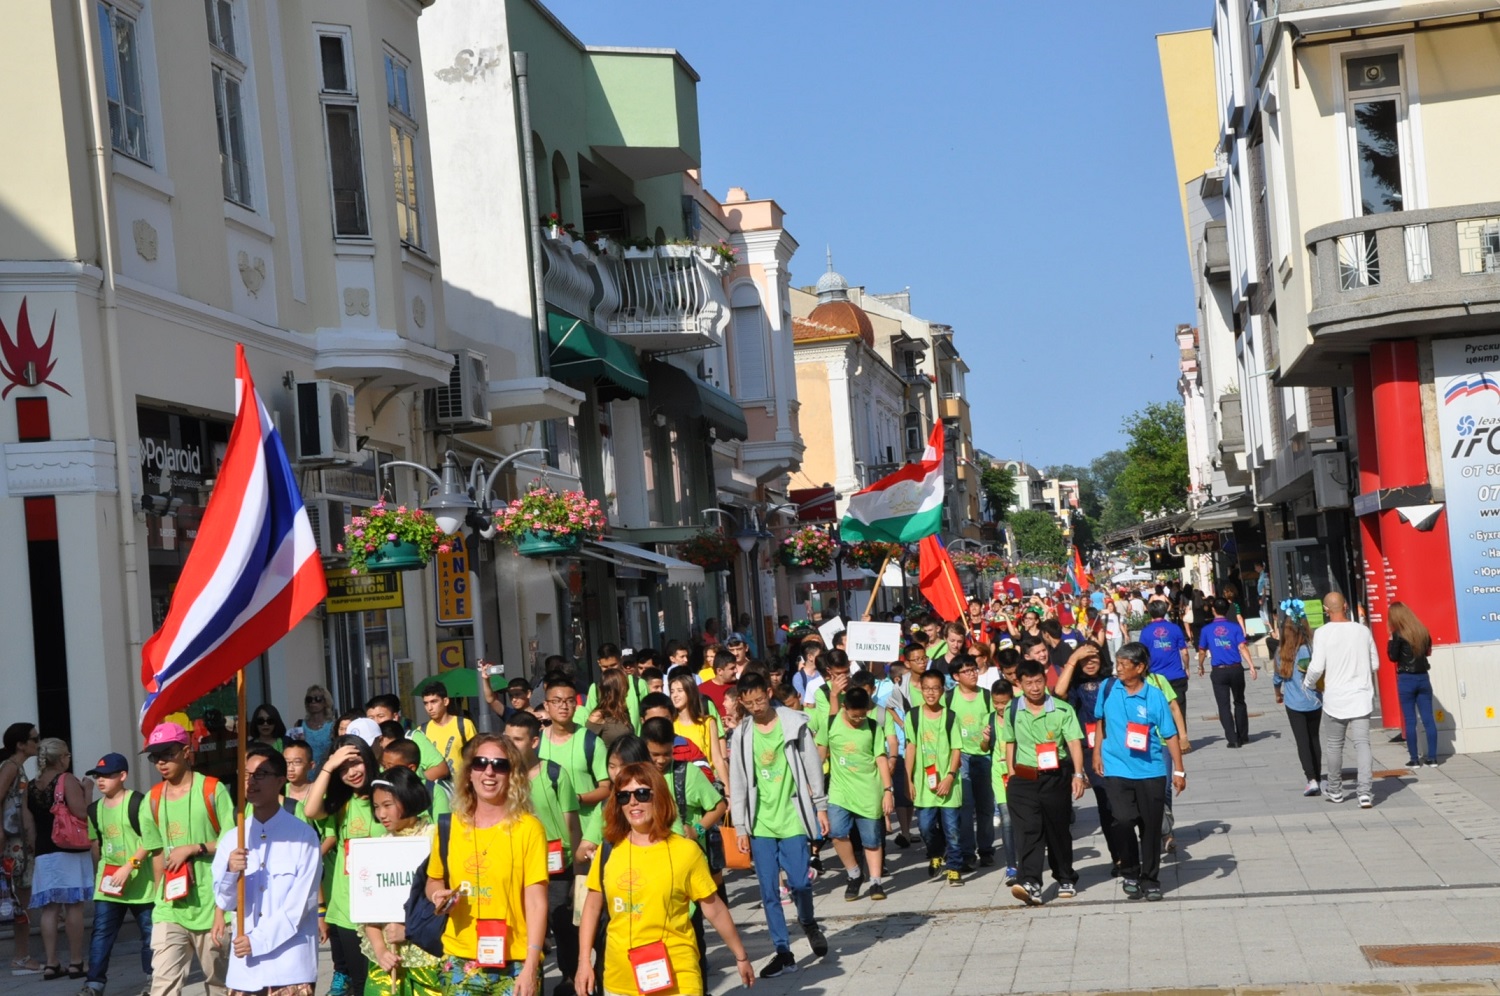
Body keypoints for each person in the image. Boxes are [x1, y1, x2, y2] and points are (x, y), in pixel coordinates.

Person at [574, 762, 755, 996]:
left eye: (641, 793)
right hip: (620, 980)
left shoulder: (686, 852)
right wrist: (584, 962)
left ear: (658, 797)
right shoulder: (609, 851)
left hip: (678, 978)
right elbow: (592, 905)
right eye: (624, 796)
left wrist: (741, 956)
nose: (633, 802)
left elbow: (715, 910)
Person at [423, 736, 548, 996]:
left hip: (515, 961)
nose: (489, 771)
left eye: (499, 765)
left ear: (512, 775)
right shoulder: (450, 826)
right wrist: (437, 895)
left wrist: (531, 963)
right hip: (459, 960)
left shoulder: (529, 829)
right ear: (469, 773)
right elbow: (434, 879)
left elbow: (536, 902)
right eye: (480, 763)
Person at [727, 672, 829, 978]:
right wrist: (742, 827)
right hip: (761, 823)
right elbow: (739, 781)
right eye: (748, 703)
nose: (756, 707)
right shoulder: (743, 733)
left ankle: (807, 921)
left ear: (769, 693)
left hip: (792, 816)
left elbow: (812, 766)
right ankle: (783, 950)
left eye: (760, 700)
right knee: (769, 890)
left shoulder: (794, 723)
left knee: (799, 882)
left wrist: (820, 807)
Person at [209, 745, 322, 996]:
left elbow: (299, 905)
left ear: (280, 780)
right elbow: (225, 901)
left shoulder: (303, 837)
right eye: (247, 775)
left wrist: (257, 940)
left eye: (261, 774)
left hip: (289, 966)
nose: (251, 782)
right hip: (245, 971)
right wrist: (230, 871)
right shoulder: (232, 839)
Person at [142, 721, 233, 996]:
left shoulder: (212, 790)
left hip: (213, 906)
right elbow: (157, 854)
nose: (161, 762)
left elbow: (232, 845)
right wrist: (161, 897)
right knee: (162, 985)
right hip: (170, 908)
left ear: (186, 751)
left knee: (220, 985)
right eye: (155, 757)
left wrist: (194, 848)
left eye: (167, 753)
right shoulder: (153, 799)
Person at [1091, 643, 1186, 902]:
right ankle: (1130, 871)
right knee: (1122, 819)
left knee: (1151, 827)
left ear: (1140, 667)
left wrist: (1179, 770)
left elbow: (1169, 734)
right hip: (1116, 767)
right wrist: (1097, 752)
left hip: (1150, 770)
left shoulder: (1154, 696)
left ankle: (1150, 878)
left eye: (1124, 664)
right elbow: (1100, 720)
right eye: (1117, 663)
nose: (1118, 668)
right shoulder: (1108, 688)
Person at [504, 711, 582, 995]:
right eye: (506, 738)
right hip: (517, 868)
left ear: (534, 741)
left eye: (517, 739)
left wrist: (578, 872)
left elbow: (572, 824)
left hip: (557, 867)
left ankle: (570, 976)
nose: (510, 745)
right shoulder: (501, 778)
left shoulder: (554, 774)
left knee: (561, 924)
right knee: (526, 928)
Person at [302, 734, 385, 996]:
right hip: (348, 911)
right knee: (360, 983)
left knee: (388, 981)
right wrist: (329, 765)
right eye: (343, 769)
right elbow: (310, 810)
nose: (352, 773)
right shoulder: (341, 805)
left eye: (356, 763)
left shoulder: (389, 792)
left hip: (387, 909)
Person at [1001, 661, 1085, 906]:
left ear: (1045, 679)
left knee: (1057, 829)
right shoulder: (1013, 709)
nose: (1035, 688)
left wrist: (1078, 775)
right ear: (1019, 683)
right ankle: (1030, 882)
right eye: (1029, 683)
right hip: (1023, 779)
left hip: (1054, 777)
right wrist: (1010, 773)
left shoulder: (1061, 709)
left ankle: (1065, 876)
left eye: (1039, 681)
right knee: (1028, 831)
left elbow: (1073, 743)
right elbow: (1009, 742)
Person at [82, 751, 161, 996]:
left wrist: (129, 867)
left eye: (106, 775)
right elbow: (96, 845)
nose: (100, 780)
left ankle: (152, 980)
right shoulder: (94, 809)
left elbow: (150, 841)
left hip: (142, 884)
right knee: (101, 934)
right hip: (109, 886)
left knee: (149, 934)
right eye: (97, 776)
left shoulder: (138, 802)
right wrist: (102, 876)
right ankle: (94, 984)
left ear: (123, 775)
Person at [360, 767, 439, 996]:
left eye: (387, 805)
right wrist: (380, 949)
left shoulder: (434, 839)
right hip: (386, 961)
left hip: (428, 959)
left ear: (408, 798)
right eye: (376, 807)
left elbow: (445, 901)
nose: (381, 814)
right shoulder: (378, 845)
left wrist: (412, 930)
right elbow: (368, 907)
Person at [816, 686, 894, 901]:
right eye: (854, 715)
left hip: (869, 790)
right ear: (844, 707)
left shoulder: (873, 727)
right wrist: (811, 785)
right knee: (837, 833)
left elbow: (880, 759)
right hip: (840, 792)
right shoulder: (830, 724)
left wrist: (888, 791)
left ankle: (876, 882)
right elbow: (819, 755)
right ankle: (854, 873)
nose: (859, 719)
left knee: (872, 840)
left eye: (863, 714)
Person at [1304, 592, 1380, 808]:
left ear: (1326, 611)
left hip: (1335, 698)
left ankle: (1335, 790)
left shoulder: (1322, 633)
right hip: (1360, 697)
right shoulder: (1362, 631)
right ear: (1346, 606)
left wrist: (1308, 683)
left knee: (1334, 745)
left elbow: (1317, 666)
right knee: (1363, 744)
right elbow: (1375, 663)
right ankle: (1364, 792)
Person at [26, 738, 91, 980]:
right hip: (69, 849)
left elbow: (28, 824)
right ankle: (76, 962)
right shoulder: (67, 780)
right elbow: (82, 813)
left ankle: (51, 963)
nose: (69, 758)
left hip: (44, 851)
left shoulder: (31, 786)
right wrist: (89, 790)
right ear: (61, 758)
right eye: (67, 755)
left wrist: (36, 848)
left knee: (49, 909)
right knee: (73, 905)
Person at [905, 670, 964, 886]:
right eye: (927, 688)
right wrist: (908, 779)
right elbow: (910, 747)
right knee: (925, 826)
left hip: (949, 784)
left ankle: (955, 867)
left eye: (935, 688)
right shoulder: (912, 716)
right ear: (920, 687)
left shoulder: (950, 716)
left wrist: (950, 776)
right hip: (924, 784)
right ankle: (937, 853)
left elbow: (957, 749)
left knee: (952, 829)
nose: (931, 693)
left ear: (942, 690)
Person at [1, 722, 42, 975]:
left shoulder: (16, 767)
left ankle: (22, 956)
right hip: (12, 844)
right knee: (19, 901)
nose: (37, 743)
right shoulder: (10, 767)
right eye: (34, 739)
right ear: (20, 743)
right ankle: (20, 957)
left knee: (21, 900)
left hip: (20, 844)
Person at [1272, 603, 1323, 797]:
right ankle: (1318, 776)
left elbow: (1277, 679)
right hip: (1315, 701)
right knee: (1314, 739)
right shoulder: (1311, 650)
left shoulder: (1282, 653)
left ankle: (1310, 779)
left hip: (1293, 703)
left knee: (1302, 741)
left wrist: (1277, 693)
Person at [1196, 597, 1258, 748]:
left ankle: (1233, 738)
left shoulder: (1206, 629)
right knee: (1239, 701)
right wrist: (1251, 665)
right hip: (1236, 668)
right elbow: (1243, 647)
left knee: (1223, 705)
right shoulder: (1235, 627)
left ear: (1213, 610)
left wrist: (1200, 665)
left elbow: (1202, 650)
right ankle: (1243, 735)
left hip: (1219, 671)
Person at [1387, 601, 1439, 768]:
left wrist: (1391, 641)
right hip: (1423, 677)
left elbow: (1393, 657)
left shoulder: (1398, 634)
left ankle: (1414, 759)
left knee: (1410, 720)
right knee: (1428, 719)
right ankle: (1432, 758)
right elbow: (1428, 652)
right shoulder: (1422, 631)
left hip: (1406, 679)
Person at [670, 674, 728, 790]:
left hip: (708, 783)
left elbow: (717, 759)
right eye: (672, 692)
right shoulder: (670, 724)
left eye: (680, 691)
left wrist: (728, 792)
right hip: (682, 786)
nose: (675, 695)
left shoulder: (708, 722)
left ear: (690, 693)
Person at [1138, 601, 1191, 722]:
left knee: (1158, 712)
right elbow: (1185, 652)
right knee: (1179, 710)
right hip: (1176, 675)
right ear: (1165, 611)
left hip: (1155, 677)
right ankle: (1182, 737)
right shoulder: (1175, 628)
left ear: (1150, 613)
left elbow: (1142, 654)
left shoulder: (1146, 631)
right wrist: (1186, 668)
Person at [421, 680, 477, 779]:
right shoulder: (422, 731)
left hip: (460, 786)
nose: (429, 708)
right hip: (434, 789)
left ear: (445, 701)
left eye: (434, 702)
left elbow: (475, 756)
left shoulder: (464, 725)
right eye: (426, 703)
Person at [291, 685, 336, 768]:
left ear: (325, 702)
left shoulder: (333, 725)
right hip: (305, 771)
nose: (313, 702)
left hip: (327, 771)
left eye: (317, 699)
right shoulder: (299, 724)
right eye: (309, 700)